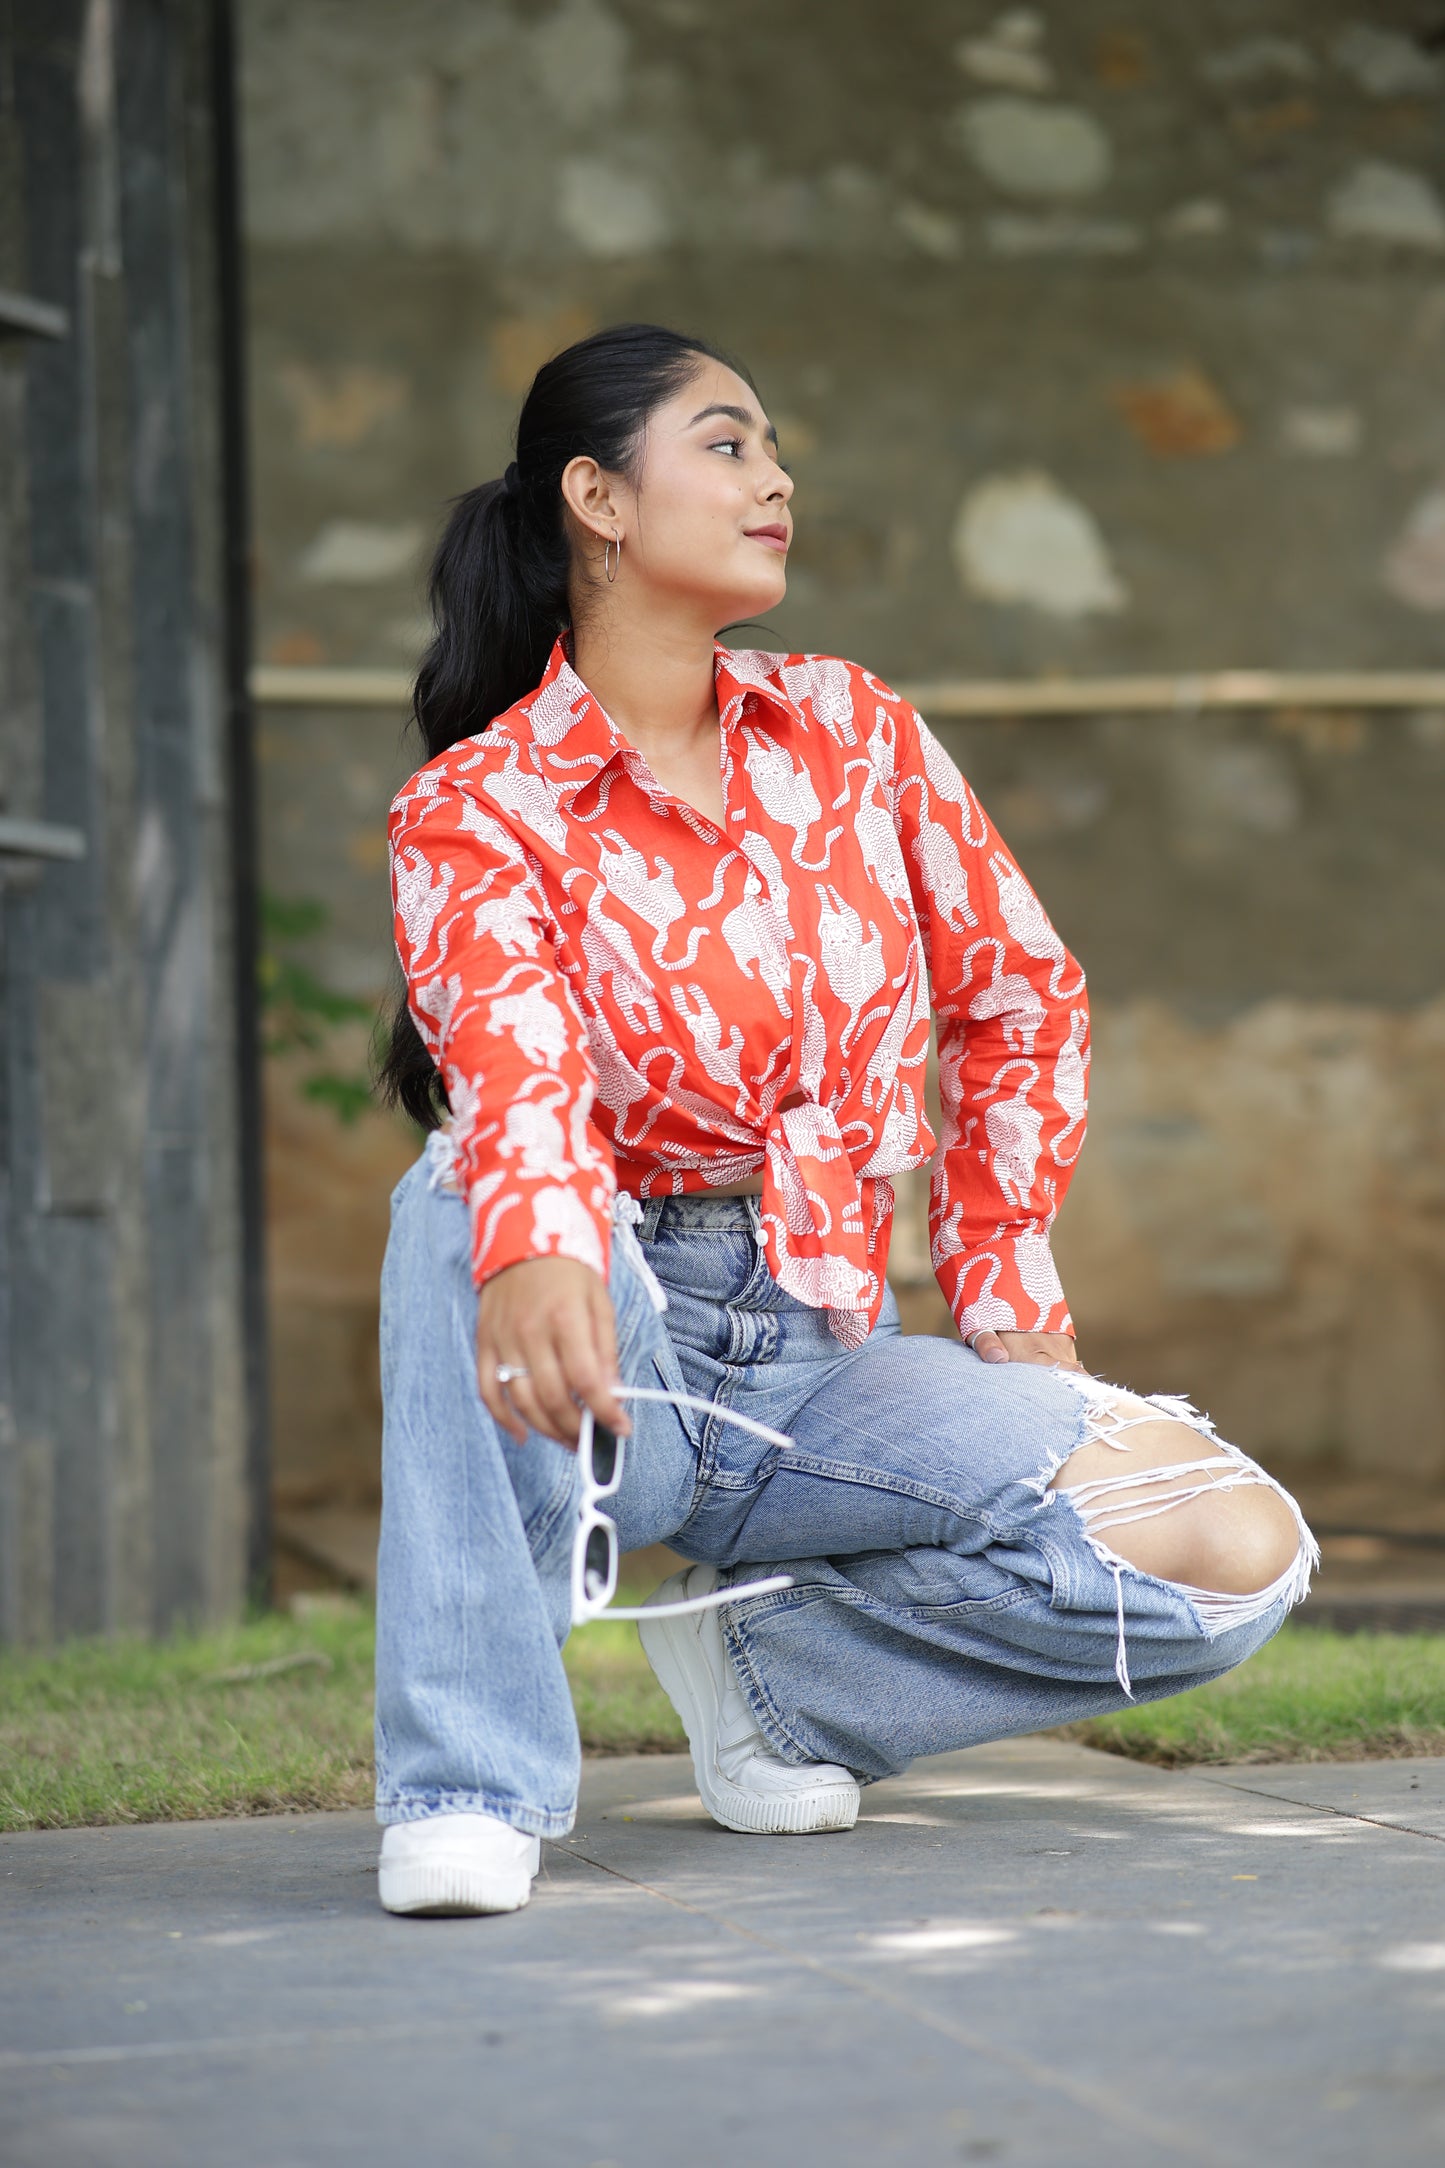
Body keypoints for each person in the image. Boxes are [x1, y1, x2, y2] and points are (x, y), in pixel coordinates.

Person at [373, 323, 1314, 1919]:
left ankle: (779, 1688)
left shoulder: (853, 731)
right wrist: (538, 1240)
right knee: (472, 1186)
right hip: (614, 1347)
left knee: (1223, 1548)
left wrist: (1005, 1289)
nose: (776, 478)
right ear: (597, 497)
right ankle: (467, 1782)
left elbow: (1020, 992)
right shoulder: (477, 804)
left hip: (820, 1350)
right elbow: (512, 1061)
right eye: (727, 444)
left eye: (771, 448)